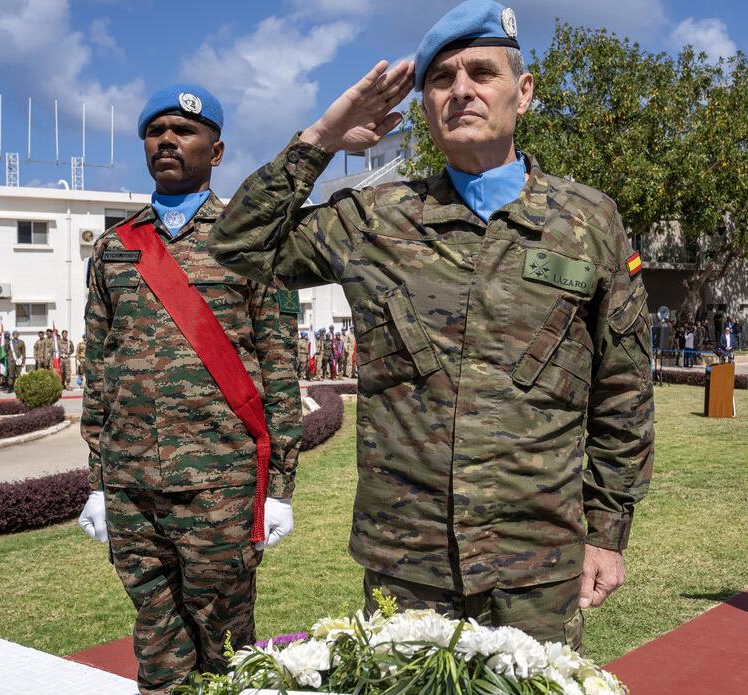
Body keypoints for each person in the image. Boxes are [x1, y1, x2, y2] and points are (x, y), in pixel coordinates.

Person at [208, 0, 654, 649]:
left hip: (536, 566)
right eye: (441, 80)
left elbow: (623, 388)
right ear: (425, 105)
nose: (462, 90)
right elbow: (236, 245)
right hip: (406, 566)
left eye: (482, 72)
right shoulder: (375, 218)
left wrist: (607, 531)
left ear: (523, 92)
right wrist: (321, 138)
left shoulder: (589, 222)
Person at [76, 83, 303, 695]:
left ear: (217, 150)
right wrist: (97, 481)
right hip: (131, 488)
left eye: (184, 131)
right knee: (155, 638)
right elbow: (98, 369)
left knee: (226, 646)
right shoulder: (114, 248)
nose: (168, 141)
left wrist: (278, 488)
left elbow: (281, 369)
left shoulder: (249, 238)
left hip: (220, 486)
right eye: (156, 131)